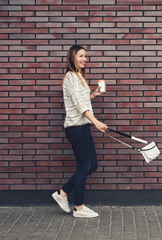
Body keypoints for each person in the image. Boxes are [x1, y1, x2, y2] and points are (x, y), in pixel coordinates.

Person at [52, 45, 108, 218]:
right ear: (73, 57)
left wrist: (93, 94)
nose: (85, 59)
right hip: (76, 127)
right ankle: (79, 207)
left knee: (92, 165)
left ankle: (62, 193)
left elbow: (82, 99)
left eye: (86, 56)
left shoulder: (79, 77)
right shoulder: (70, 77)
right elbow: (79, 104)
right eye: (81, 56)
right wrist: (96, 122)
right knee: (84, 165)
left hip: (82, 126)